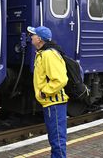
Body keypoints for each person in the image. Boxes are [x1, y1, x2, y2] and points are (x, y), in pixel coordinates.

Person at [27, 26, 69, 158]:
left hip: (54, 103)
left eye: (33, 35)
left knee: (57, 141)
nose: (31, 37)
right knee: (55, 139)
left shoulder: (49, 55)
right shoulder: (43, 53)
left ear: (39, 39)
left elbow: (60, 80)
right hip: (50, 103)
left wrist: (44, 93)